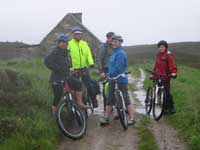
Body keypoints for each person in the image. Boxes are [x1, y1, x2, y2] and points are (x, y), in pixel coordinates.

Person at [44, 34, 87, 114]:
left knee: (78, 84)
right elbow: (47, 61)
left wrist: (73, 70)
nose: (64, 44)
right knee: (57, 97)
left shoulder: (66, 53)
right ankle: (55, 116)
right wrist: (57, 68)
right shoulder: (55, 51)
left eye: (66, 42)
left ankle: (79, 102)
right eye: (62, 42)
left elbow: (67, 65)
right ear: (58, 43)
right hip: (56, 78)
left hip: (66, 76)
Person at [100, 35, 136, 125]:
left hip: (120, 79)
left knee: (125, 98)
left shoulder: (120, 53)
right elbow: (111, 67)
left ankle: (132, 118)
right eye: (113, 41)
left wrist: (109, 74)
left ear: (120, 42)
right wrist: (108, 74)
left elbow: (118, 67)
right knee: (110, 98)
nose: (114, 43)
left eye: (116, 41)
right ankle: (106, 118)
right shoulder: (113, 53)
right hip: (112, 79)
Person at [68, 27, 98, 108]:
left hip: (84, 68)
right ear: (73, 34)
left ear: (81, 35)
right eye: (76, 34)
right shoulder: (69, 44)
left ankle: (94, 100)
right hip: (73, 69)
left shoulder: (84, 43)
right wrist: (69, 68)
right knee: (73, 88)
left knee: (89, 85)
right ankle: (74, 103)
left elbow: (88, 54)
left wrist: (91, 63)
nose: (78, 35)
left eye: (79, 34)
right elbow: (67, 56)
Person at [153, 40, 177, 113]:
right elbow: (156, 65)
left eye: (162, 47)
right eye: (160, 47)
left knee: (166, 93)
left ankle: (171, 108)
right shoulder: (158, 54)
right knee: (159, 92)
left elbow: (172, 65)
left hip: (166, 77)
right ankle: (164, 108)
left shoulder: (168, 55)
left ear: (165, 47)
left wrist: (173, 73)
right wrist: (154, 73)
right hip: (158, 76)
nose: (161, 48)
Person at [96, 32, 115, 111]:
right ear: (107, 38)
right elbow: (98, 59)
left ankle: (112, 106)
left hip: (113, 70)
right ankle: (106, 107)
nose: (112, 40)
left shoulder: (114, 47)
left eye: (113, 38)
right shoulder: (103, 47)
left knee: (114, 88)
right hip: (105, 70)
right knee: (106, 89)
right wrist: (101, 71)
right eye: (110, 38)